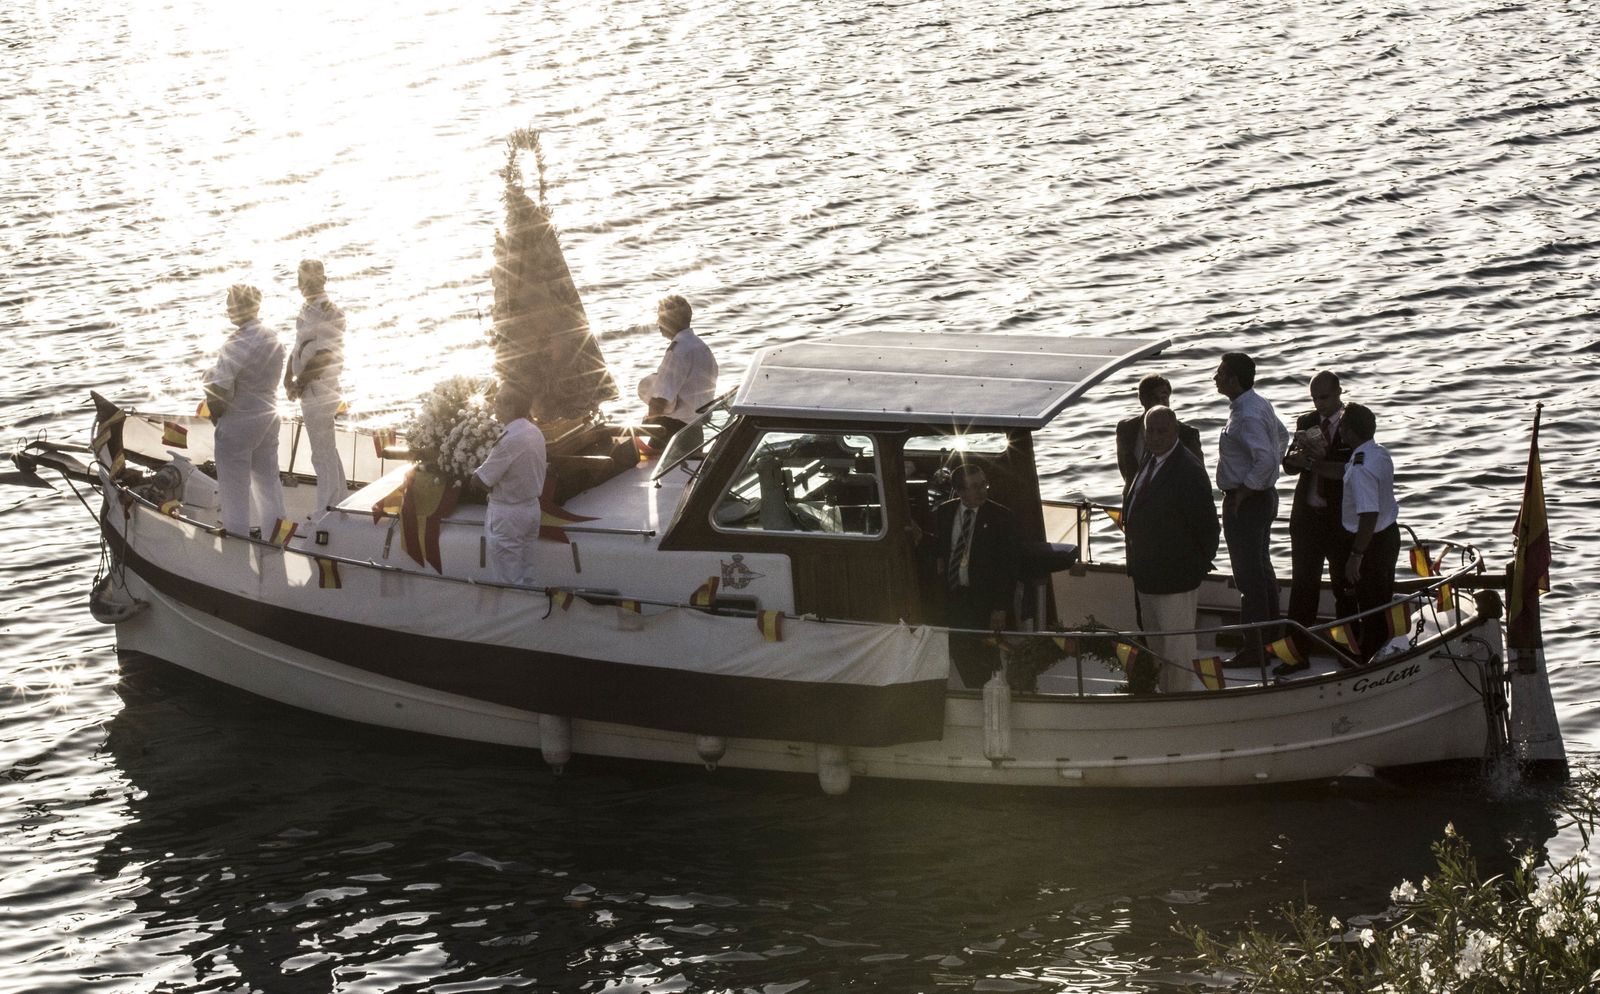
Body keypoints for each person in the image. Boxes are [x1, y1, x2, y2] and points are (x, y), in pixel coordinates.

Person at [1123, 407, 1220, 693]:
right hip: (1147, 576)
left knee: (1177, 651)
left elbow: (1208, 527)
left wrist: (1194, 567)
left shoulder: (1188, 470)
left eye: (1161, 431)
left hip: (1176, 579)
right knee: (1156, 648)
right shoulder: (1149, 460)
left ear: (1175, 431)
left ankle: (1179, 703)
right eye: (1149, 431)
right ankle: (1161, 697)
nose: (1154, 437)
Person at [1212, 351, 1290, 667]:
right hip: (1264, 496)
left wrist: (1246, 489)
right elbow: (1281, 437)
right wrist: (1263, 480)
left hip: (1248, 501)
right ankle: (1271, 639)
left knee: (1248, 577)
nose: (1215, 378)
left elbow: (1268, 458)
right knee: (1261, 569)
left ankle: (1254, 648)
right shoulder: (1259, 404)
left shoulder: (1246, 415)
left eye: (1220, 373)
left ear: (1233, 379)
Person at [1281, 371, 1356, 665]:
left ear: (1338, 393)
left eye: (1323, 397)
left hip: (1338, 519)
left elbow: (1350, 469)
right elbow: (1288, 465)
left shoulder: (1352, 424)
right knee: (1302, 588)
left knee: (1343, 588)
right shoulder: (1307, 422)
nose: (1319, 404)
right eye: (1314, 398)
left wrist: (1315, 462)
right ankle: (1296, 654)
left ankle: (1349, 650)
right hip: (1307, 517)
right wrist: (1295, 460)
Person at [204, 283, 288, 537]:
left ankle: (236, 539)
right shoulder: (273, 336)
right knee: (268, 483)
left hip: (239, 421)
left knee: (234, 487)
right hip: (269, 416)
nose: (228, 309)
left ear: (243, 307)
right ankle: (277, 538)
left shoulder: (236, 343)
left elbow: (218, 389)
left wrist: (216, 414)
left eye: (231, 303)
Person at [932, 463, 1020, 688]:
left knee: (987, 656)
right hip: (954, 596)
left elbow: (1008, 567)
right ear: (960, 491)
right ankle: (973, 690)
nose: (982, 491)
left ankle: (990, 694)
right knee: (961, 649)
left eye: (983, 484)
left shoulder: (1002, 517)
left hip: (984, 599)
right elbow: (937, 548)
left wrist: (1000, 607)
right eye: (975, 487)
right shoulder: (944, 513)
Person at [283, 259, 348, 519]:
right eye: (302, 281)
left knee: (320, 453)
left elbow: (326, 354)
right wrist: (288, 376)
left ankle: (326, 510)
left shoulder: (331, 311)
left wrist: (301, 381)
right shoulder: (304, 309)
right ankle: (339, 500)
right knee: (325, 448)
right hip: (307, 387)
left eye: (312, 281)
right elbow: (297, 347)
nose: (306, 286)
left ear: (323, 280)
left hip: (321, 388)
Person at [1338, 403, 1401, 662]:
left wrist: (1356, 555)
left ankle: (1370, 660)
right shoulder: (1376, 453)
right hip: (1388, 536)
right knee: (1382, 598)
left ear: (1350, 431)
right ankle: (1382, 648)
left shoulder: (1361, 468)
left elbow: (1368, 514)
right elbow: (1343, 472)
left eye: (1342, 425)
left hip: (1370, 543)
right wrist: (1310, 464)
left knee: (1371, 604)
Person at [472, 384, 548, 586]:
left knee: (508, 581)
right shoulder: (535, 432)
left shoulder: (509, 440)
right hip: (531, 509)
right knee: (527, 574)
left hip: (508, 517)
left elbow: (479, 479)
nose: (493, 405)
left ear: (511, 407)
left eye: (497, 401)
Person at [639, 294, 718, 437]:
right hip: (696, 429)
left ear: (672, 321)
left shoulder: (677, 352)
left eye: (661, 317)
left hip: (674, 430)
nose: (657, 323)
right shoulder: (702, 347)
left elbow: (661, 400)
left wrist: (648, 429)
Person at [1115, 372, 1205, 486]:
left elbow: (1199, 478)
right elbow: (1124, 468)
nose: (1160, 403)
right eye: (1154, 398)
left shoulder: (1187, 435)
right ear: (1142, 400)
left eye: (1164, 398)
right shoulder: (1126, 429)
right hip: (1135, 499)